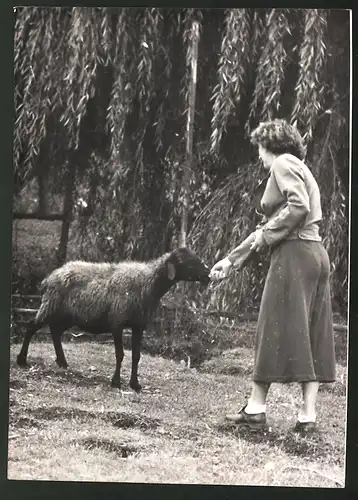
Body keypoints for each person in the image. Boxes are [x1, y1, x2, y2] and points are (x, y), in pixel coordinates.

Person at [210, 118, 336, 434]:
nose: (259, 157)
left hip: (294, 256)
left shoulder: (281, 164)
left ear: (269, 146)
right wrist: (232, 259)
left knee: (270, 326)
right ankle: (307, 418)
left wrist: (266, 238)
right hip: (316, 253)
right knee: (313, 333)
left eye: (260, 150)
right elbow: (277, 223)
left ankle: (255, 410)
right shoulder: (302, 167)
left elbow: (298, 207)